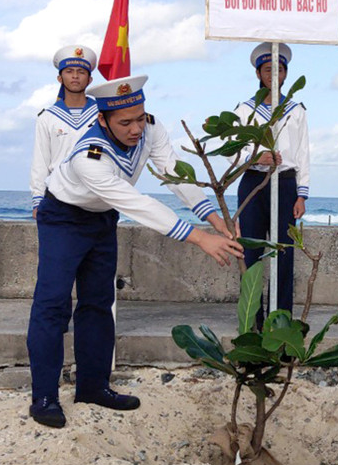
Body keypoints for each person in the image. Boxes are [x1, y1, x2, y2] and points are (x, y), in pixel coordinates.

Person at [28, 74, 243, 429]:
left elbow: (172, 170)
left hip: (100, 220)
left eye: (140, 118)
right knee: (52, 305)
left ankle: (94, 387)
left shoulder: (151, 128)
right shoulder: (89, 157)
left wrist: (211, 215)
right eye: (125, 122)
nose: (136, 129)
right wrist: (200, 238)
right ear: (103, 120)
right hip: (63, 218)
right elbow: (137, 203)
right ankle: (45, 397)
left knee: (98, 303)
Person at [233, 43, 310, 321]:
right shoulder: (245, 110)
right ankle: (252, 323)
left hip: (286, 183)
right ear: (258, 74)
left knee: (283, 256)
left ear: (286, 73)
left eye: (278, 69)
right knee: (251, 253)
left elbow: (303, 152)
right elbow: (235, 150)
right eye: (267, 70)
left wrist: (302, 194)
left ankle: (281, 321)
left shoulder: (296, 109)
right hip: (254, 182)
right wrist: (257, 157)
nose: (273, 75)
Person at [30, 45, 99, 218]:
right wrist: (37, 200)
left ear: (90, 79)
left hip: (97, 195)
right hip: (59, 197)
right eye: (69, 71)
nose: (75, 76)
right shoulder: (47, 117)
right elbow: (41, 161)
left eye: (81, 72)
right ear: (60, 78)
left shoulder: (102, 114)